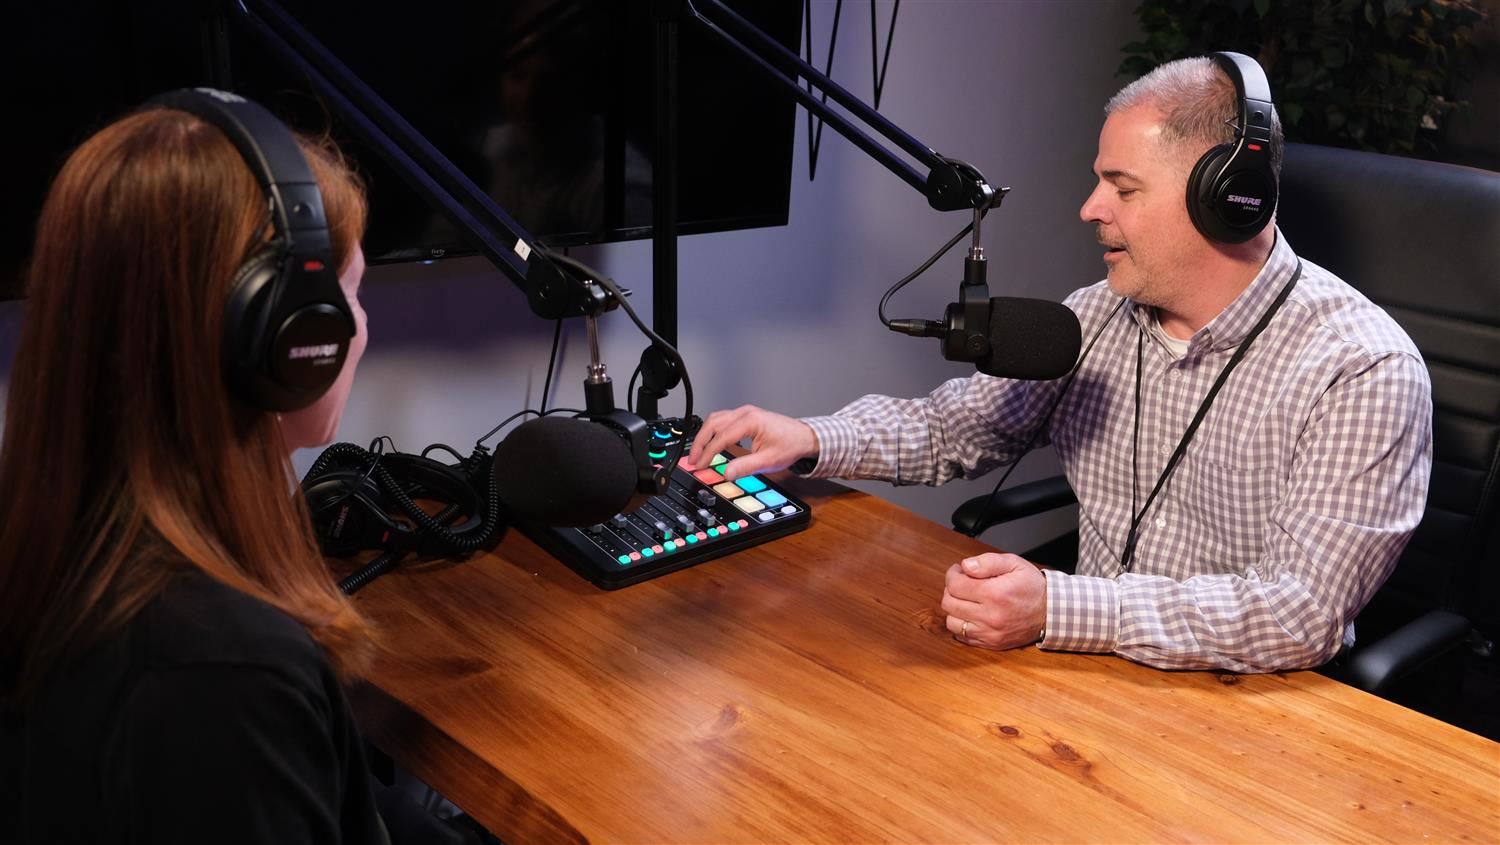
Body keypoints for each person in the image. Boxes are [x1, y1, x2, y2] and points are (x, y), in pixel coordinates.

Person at [687, 55, 1433, 674]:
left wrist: (1060, 605)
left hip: (1247, 712)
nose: (1088, 207)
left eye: (1123, 186)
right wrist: (811, 437)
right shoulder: (1098, 315)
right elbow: (956, 429)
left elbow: (1297, 613)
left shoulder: (1362, 369)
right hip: (1081, 674)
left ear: (1225, 197)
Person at [0, 98, 457, 843]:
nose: (362, 326)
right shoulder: (221, 676)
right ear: (283, 340)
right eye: (349, 294)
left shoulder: (67, 559)